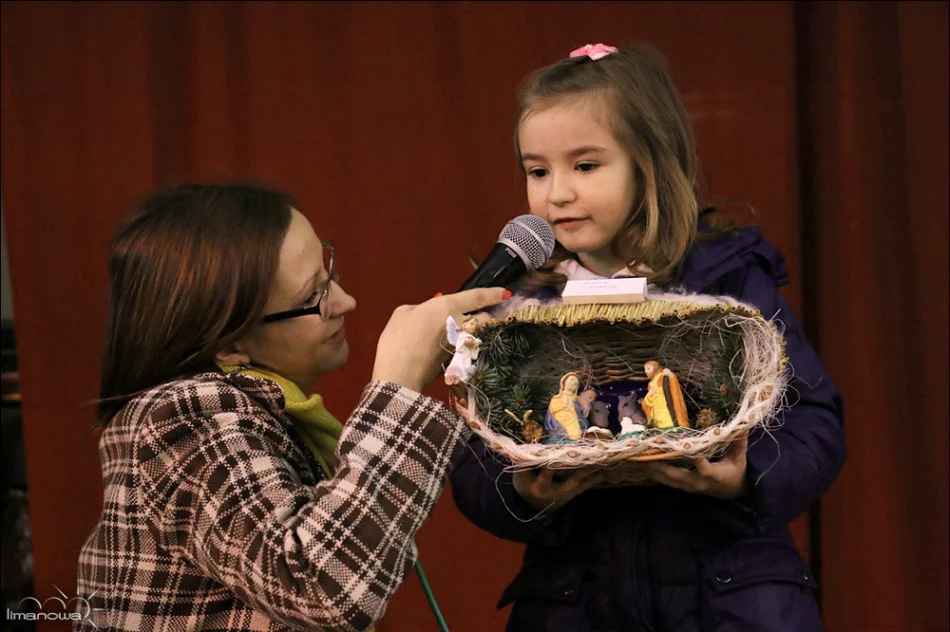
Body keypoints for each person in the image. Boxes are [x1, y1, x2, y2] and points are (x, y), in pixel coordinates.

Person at [450, 43, 846, 631]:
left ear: (650, 163)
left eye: (585, 166)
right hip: (576, 599)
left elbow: (814, 419)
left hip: (731, 595)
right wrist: (527, 492)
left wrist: (743, 476)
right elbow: (475, 459)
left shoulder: (730, 282)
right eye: (538, 170)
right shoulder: (522, 307)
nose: (556, 193)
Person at [76, 183, 508, 631]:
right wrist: (398, 389)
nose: (345, 302)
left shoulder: (269, 411)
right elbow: (318, 586)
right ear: (229, 344)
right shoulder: (181, 415)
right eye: (311, 298)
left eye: (328, 277)